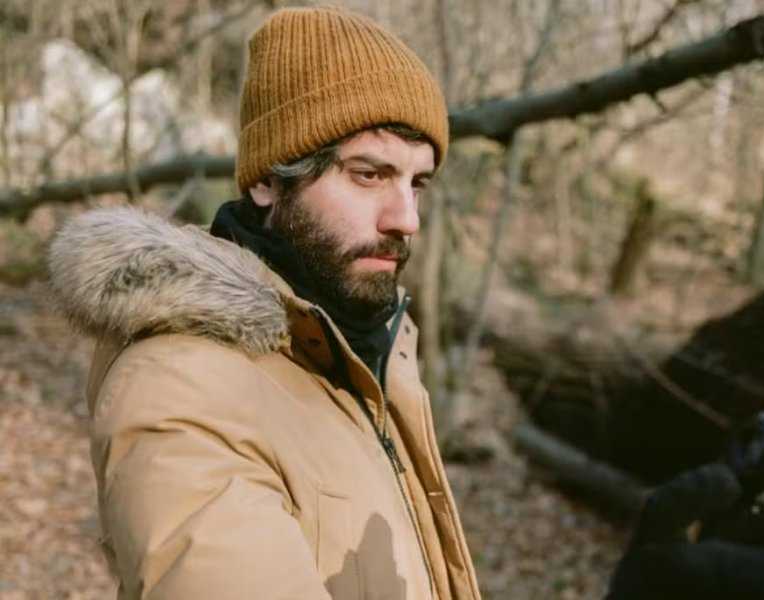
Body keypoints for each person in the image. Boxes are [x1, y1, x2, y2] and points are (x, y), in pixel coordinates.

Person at [48, 6, 480, 600]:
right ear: (267, 181)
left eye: (417, 183)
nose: (406, 219)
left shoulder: (357, 351)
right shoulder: (183, 384)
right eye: (369, 175)